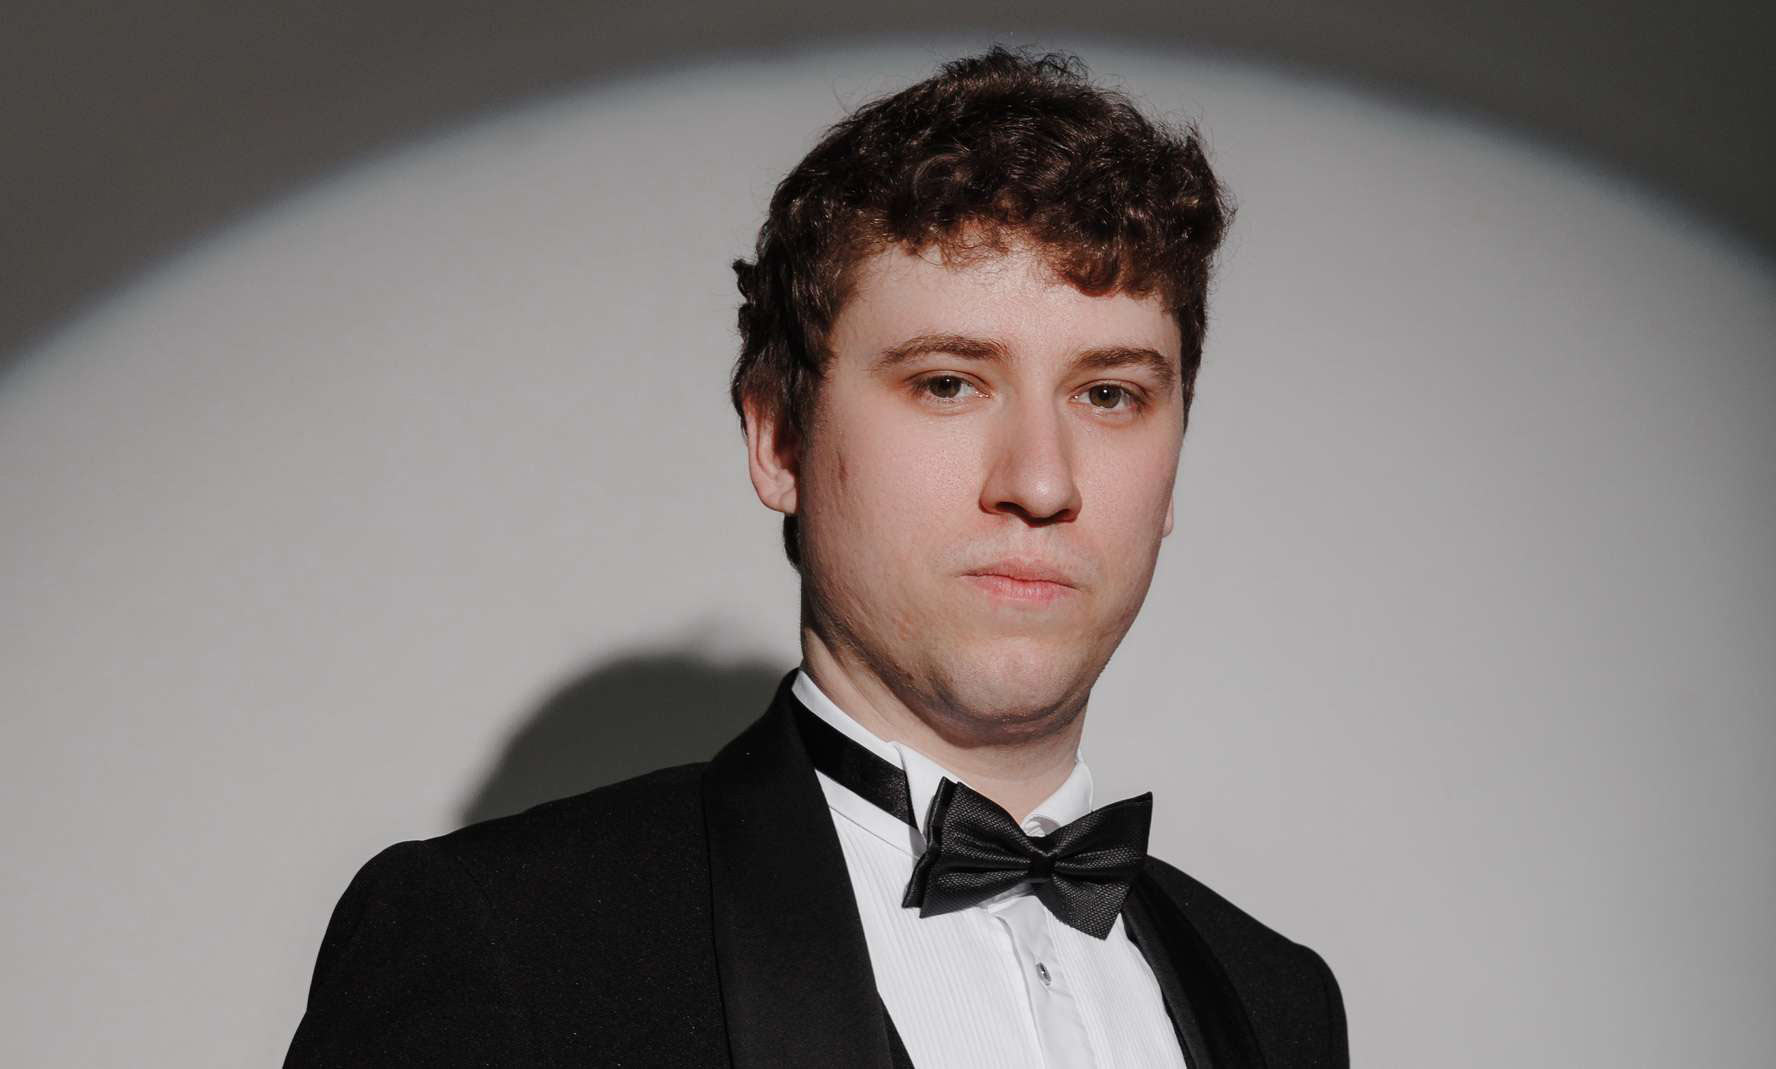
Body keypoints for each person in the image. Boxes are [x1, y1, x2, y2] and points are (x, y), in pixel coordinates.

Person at [285, 47, 1346, 1068]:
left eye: (1108, 394)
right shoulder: (498, 939)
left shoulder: (1280, 1002)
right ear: (779, 440)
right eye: (948, 382)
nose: (1039, 480)